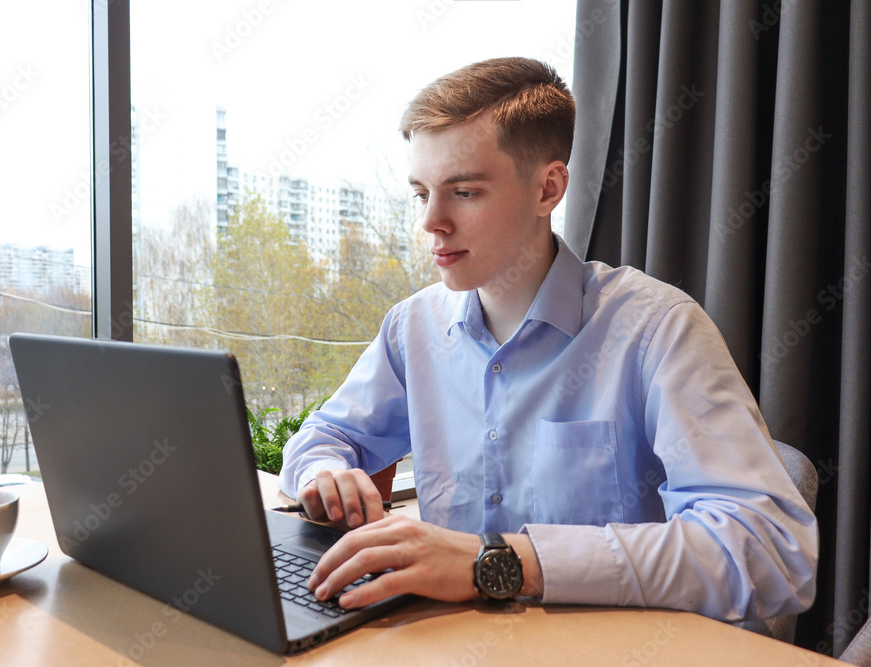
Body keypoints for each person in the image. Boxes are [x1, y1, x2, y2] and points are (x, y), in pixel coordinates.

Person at [278, 57, 817, 621]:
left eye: (463, 192)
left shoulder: (656, 330)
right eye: (421, 194)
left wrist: (500, 563)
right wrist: (325, 475)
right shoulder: (413, 328)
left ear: (548, 188)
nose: (431, 222)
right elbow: (323, 436)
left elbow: (771, 550)